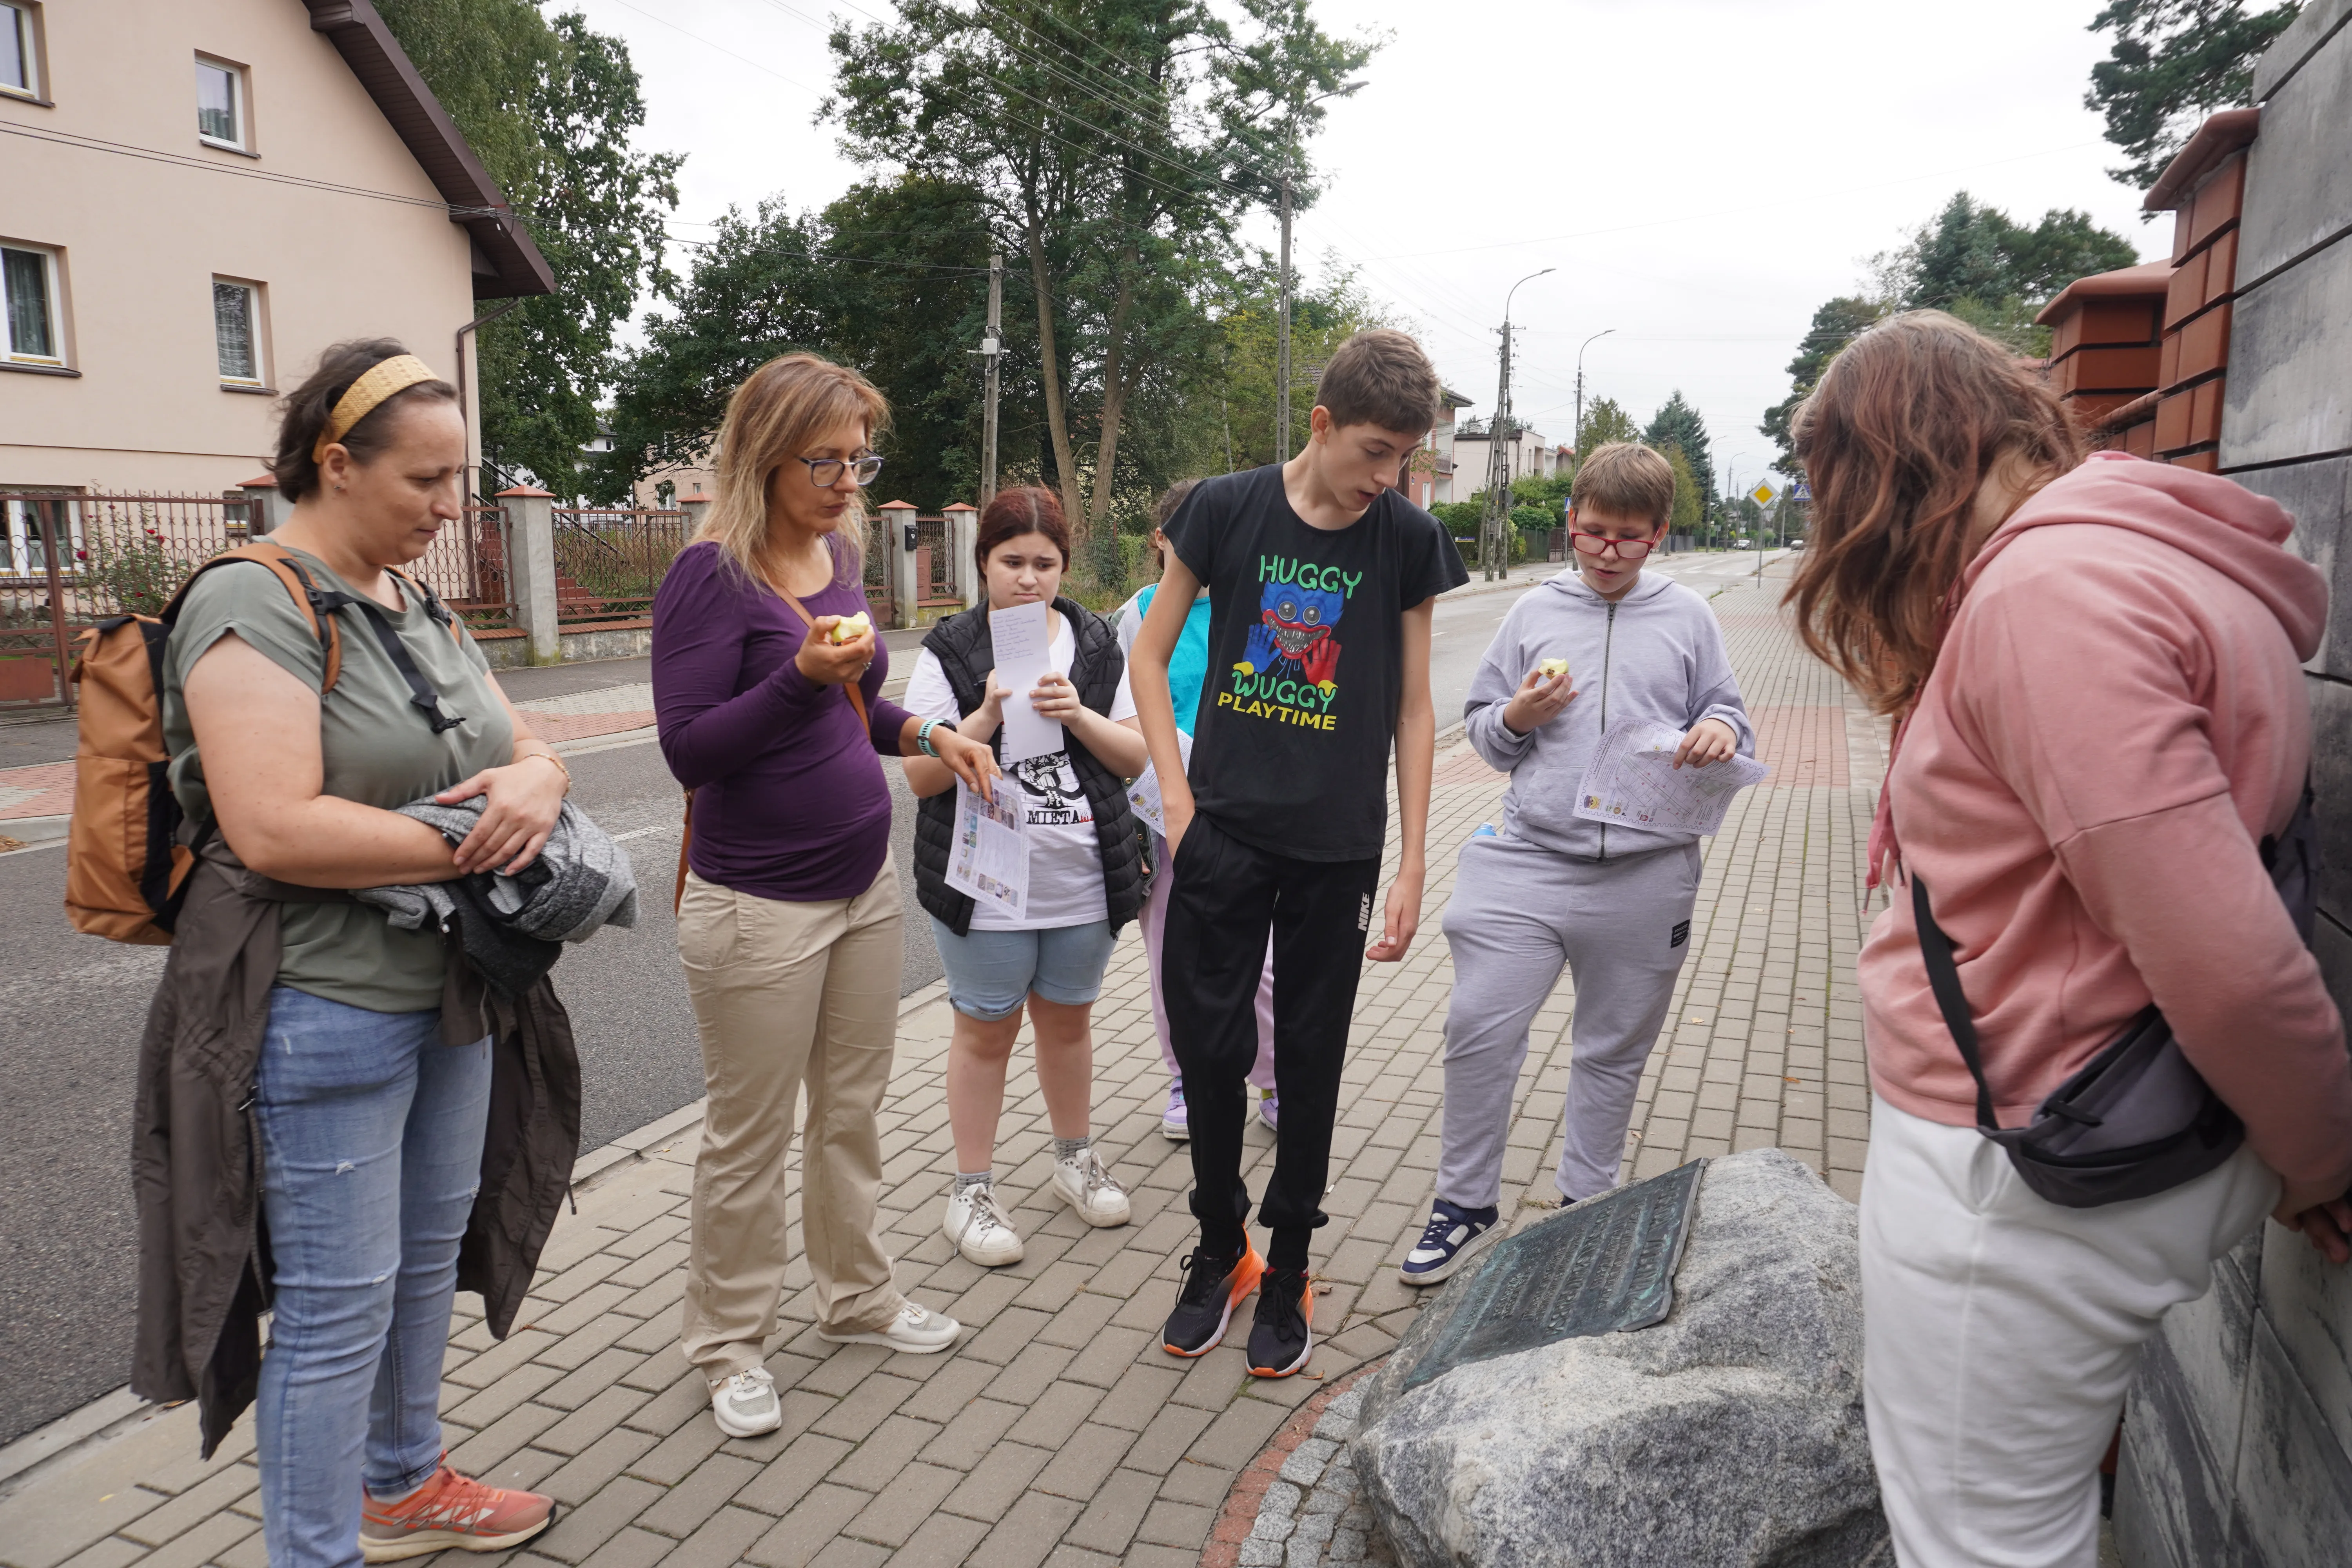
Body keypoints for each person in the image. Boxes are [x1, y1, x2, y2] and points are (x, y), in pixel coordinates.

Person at [1788, 311, 2352, 1566]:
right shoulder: (2151, 559)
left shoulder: (2051, 599)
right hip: (2107, 1126)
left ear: (1894, 473)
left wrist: (2323, 1156)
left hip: (2025, 1173)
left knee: (1980, 1543)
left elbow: (2231, 955)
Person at [150, 340, 578, 1566]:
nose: (450, 509)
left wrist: (541, 777)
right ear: (336, 464)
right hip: (321, 1005)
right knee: (335, 1314)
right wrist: (477, 844)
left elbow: (521, 738)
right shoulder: (252, 599)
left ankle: (401, 1484)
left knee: (420, 1266)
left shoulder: (415, 598)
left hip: (451, 996)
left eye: (461, 480)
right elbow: (273, 826)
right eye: (426, 482)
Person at [652, 352, 999, 1438]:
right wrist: (795, 675)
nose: (850, 480)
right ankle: (729, 1344)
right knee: (748, 1138)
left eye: (861, 459)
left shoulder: (837, 555)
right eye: (828, 460)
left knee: (849, 1118)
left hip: (861, 891)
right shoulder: (711, 576)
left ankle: (854, 1300)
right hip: (759, 906)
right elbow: (690, 752)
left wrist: (928, 731)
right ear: (767, 451)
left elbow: (859, 703)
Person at [1132, 328, 1468, 1377]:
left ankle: (1286, 1265)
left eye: (1405, 456)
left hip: (1336, 852)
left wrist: (1413, 862)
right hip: (1222, 837)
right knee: (1212, 1052)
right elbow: (1147, 655)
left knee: (1311, 1065)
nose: (1389, 476)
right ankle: (1218, 1247)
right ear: (1321, 425)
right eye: (1374, 450)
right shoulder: (1224, 510)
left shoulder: (1405, 538)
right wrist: (1181, 806)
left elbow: (1414, 708)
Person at [1400, 442, 1753, 1286]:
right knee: (1478, 1030)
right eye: (1591, 532)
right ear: (1570, 523)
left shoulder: (1689, 617)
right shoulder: (1533, 612)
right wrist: (1518, 713)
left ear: (1660, 534)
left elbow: (1728, 713)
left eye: (1627, 538)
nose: (1605, 552)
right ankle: (1465, 1201)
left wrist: (1722, 733)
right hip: (1526, 858)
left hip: (1647, 869)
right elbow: (1486, 731)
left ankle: (1585, 1206)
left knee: (1612, 1049)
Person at [906, 486, 1147, 1265]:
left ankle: (1073, 1158)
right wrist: (982, 717)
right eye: (1012, 560)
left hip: (1082, 872)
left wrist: (1078, 713)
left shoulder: (1098, 643)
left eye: (1045, 562)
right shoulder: (949, 648)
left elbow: (1137, 756)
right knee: (986, 1030)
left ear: (1064, 567)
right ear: (984, 563)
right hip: (986, 880)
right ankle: (970, 1189)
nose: (1029, 577)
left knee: (1070, 1020)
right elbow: (919, 776)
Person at [1116, 480, 1279, 1142]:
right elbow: (1126, 706)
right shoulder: (1141, 612)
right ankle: (1186, 1076)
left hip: (1248, 811)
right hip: (1168, 816)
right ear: (1162, 542)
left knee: (1263, 960)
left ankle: (1274, 1077)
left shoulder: (1261, 606)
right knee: (1173, 956)